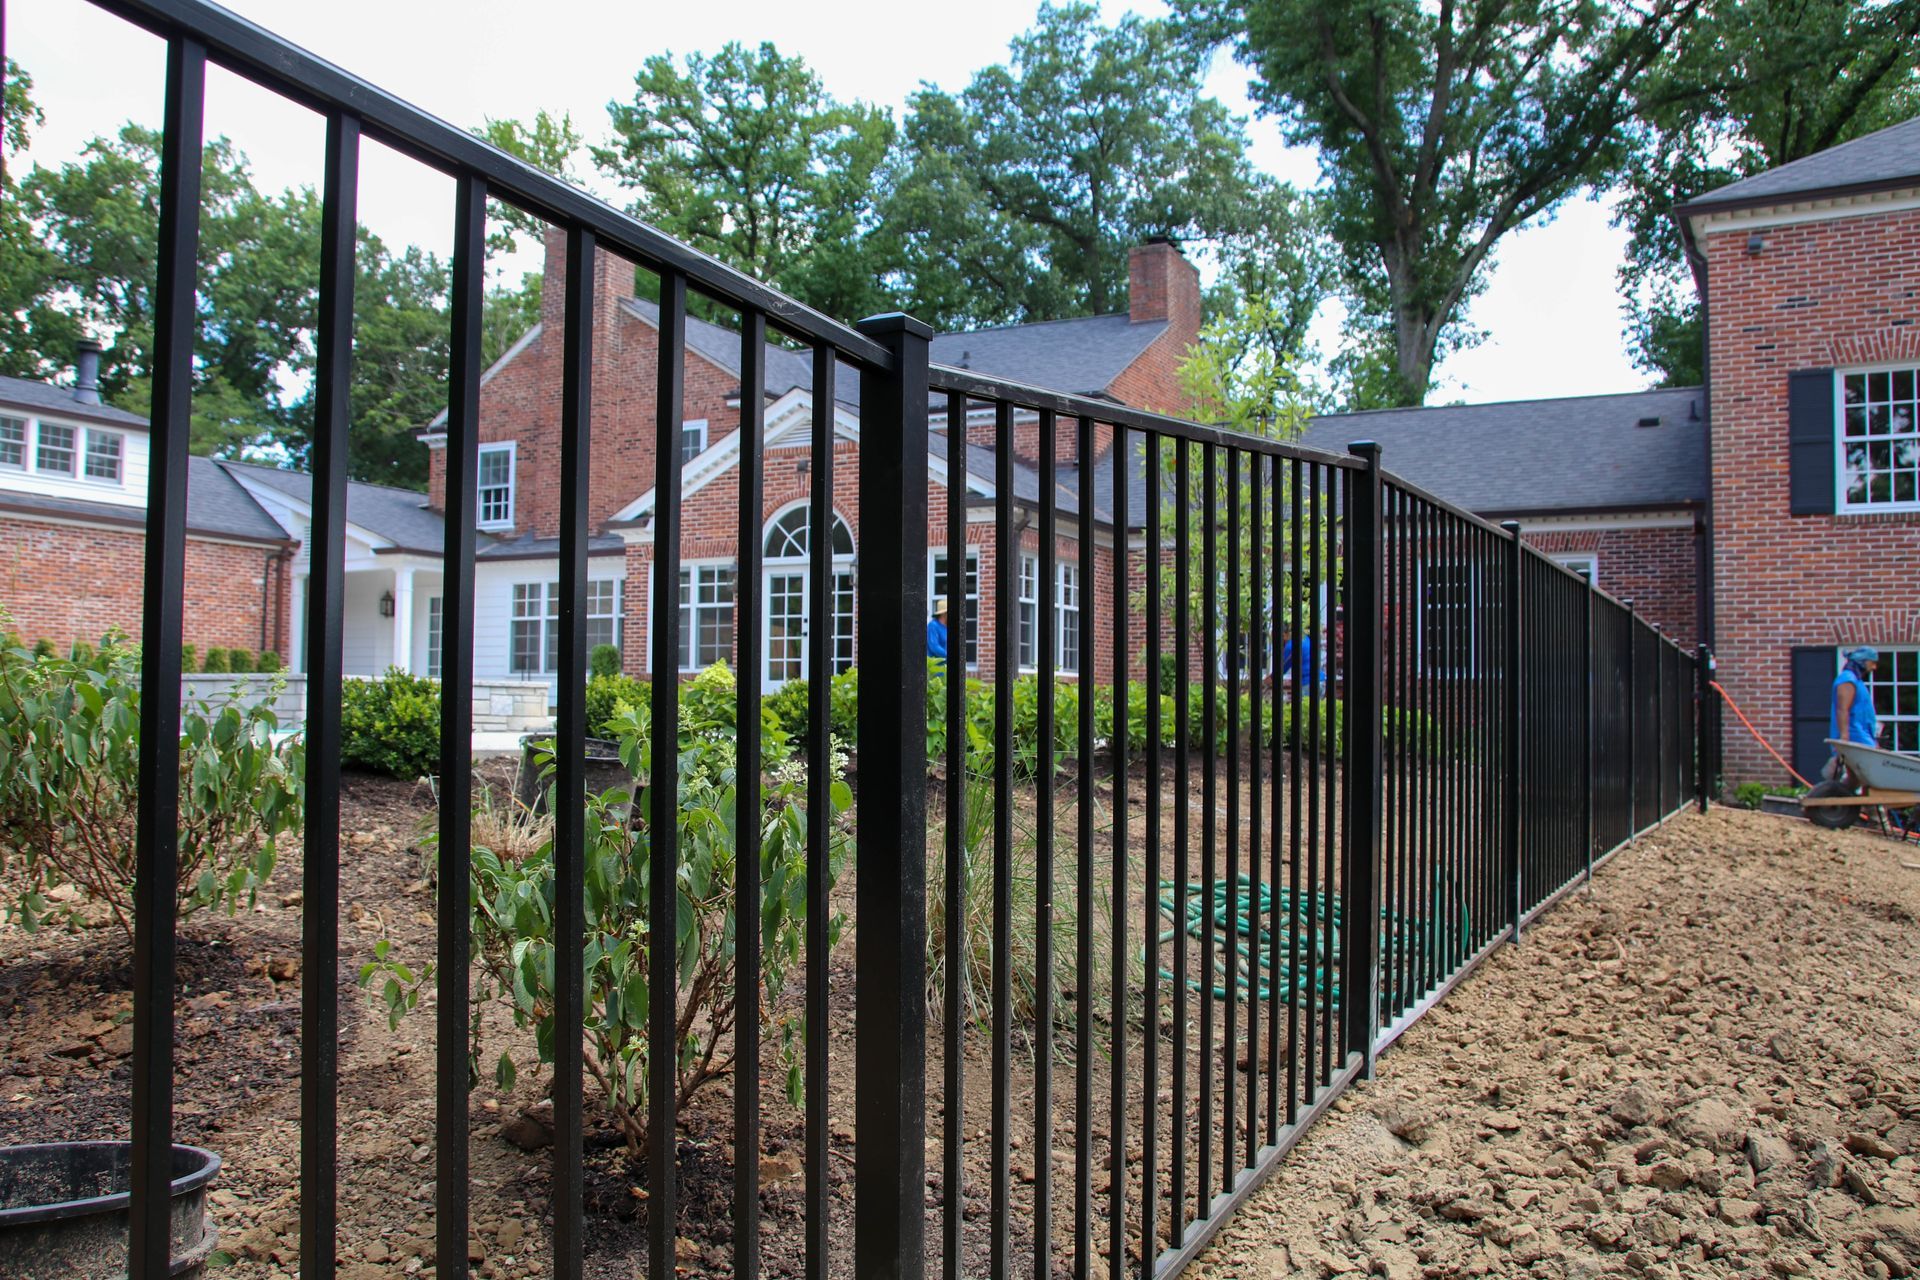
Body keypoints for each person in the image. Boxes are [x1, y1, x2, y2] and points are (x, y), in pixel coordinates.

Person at [1829, 646, 1881, 777]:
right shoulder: (1847, 680)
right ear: (1862, 661)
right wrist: (1844, 738)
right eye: (1872, 662)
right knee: (1872, 769)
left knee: (1857, 777)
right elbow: (1843, 709)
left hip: (1862, 732)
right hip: (1855, 734)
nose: (1874, 667)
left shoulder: (1856, 680)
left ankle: (1840, 793)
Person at [927, 598, 950, 669]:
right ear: (944, 613)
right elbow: (934, 647)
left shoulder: (947, 626)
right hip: (936, 669)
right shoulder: (933, 626)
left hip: (945, 666)